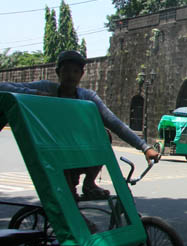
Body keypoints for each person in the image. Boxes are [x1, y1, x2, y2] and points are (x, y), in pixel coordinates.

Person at [0, 50, 160, 200]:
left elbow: (115, 124)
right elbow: (4, 87)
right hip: (54, 154)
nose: (70, 75)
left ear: (82, 74)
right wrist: (36, 95)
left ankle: (90, 183)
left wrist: (144, 147)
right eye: (66, 71)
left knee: (104, 134)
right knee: (69, 202)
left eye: (75, 71)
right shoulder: (46, 88)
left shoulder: (87, 97)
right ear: (58, 73)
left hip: (78, 153)